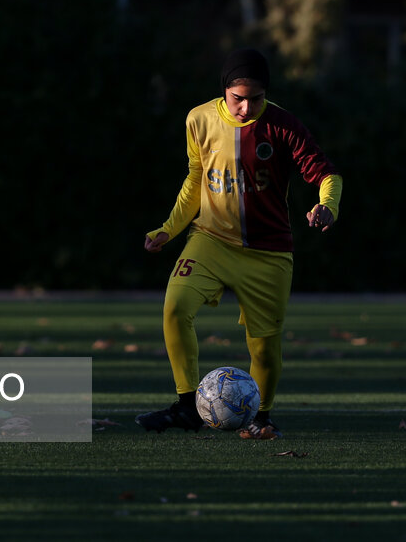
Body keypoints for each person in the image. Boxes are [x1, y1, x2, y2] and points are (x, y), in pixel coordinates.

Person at [135, 48, 342, 439]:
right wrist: (170, 227)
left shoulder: (283, 126)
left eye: (256, 98)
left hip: (268, 254)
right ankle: (186, 407)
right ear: (224, 92)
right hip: (209, 240)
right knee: (175, 308)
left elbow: (328, 174)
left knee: (264, 348)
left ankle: (261, 417)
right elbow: (196, 178)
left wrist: (326, 205)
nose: (247, 107)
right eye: (238, 98)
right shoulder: (198, 119)